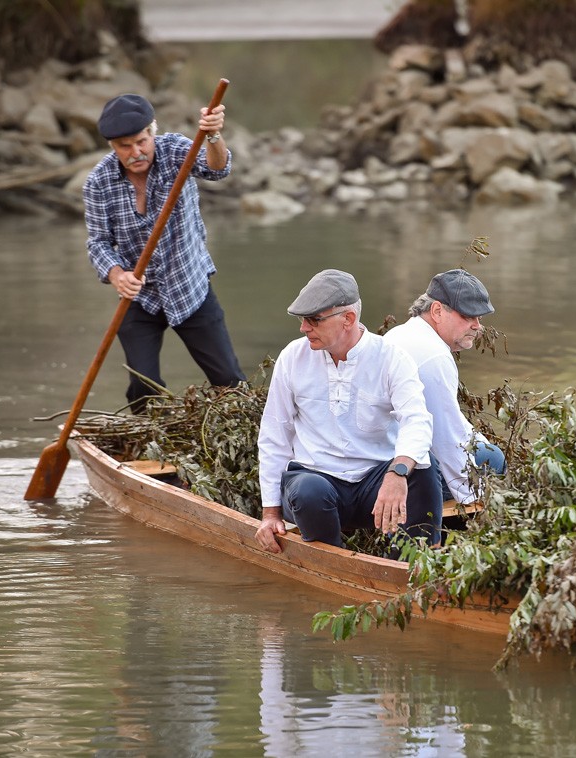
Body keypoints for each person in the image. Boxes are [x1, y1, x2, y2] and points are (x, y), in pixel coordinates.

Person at [255, 269, 442, 554]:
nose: (304, 328)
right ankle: (332, 566)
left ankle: (410, 564)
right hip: (316, 483)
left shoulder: (391, 357)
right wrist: (270, 515)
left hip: (375, 486)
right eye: (302, 320)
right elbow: (274, 435)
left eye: (314, 320)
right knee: (308, 492)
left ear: (348, 319)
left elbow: (416, 420)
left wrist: (397, 473)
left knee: (424, 468)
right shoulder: (293, 357)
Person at [83, 93, 245, 411]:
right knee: (143, 386)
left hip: (190, 287)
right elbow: (98, 242)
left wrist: (212, 135)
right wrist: (118, 276)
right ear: (112, 147)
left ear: (152, 131)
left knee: (229, 382)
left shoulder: (175, 151)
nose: (136, 152)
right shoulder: (98, 182)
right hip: (139, 295)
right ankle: (148, 451)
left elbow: (217, 169)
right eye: (124, 147)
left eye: (141, 141)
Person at [384, 269, 506, 505]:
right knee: (493, 458)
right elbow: (443, 438)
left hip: (385, 454)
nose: (478, 326)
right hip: (402, 470)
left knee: (481, 446)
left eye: (479, 318)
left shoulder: (400, 333)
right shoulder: (434, 356)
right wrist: (471, 495)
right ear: (437, 311)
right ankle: (463, 528)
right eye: (469, 316)